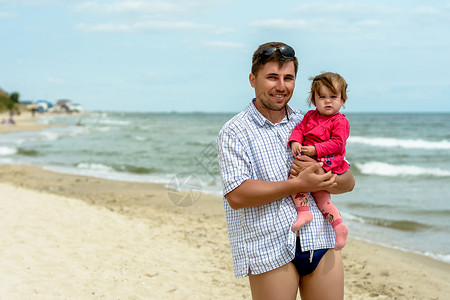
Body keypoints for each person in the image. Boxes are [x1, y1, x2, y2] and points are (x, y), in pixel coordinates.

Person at [216, 42, 355, 300]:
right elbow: (236, 195)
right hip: (270, 246)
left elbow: (349, 182)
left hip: (320, 239)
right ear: (252, 79)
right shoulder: (235, 131)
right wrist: (297, 184)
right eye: (272, 77)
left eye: (288, 78)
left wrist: (325, 177)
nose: (281, 86)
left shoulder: (312, 120)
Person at [289, 72, 350, 251]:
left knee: (315, 194)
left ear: (343, 100)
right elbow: (300, 129)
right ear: (314, 100)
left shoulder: (340, 121)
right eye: (322, 97)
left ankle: (334, 225)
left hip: (327, 161)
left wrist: (316, 150)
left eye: (333, 97)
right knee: (301, 186)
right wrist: (295, 141)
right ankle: (310, 215)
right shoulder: (310, 116)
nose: (328, 101)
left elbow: (338, 144)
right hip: (310, 158)